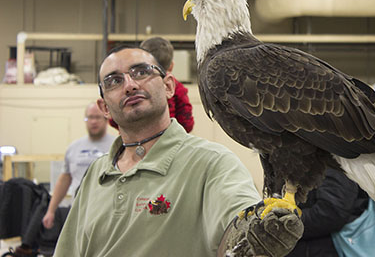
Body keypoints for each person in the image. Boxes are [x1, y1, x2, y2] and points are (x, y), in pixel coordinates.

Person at [53, 45, 303, 257]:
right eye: (114, 81)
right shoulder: (96, 174)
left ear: (169, 86)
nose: (129, 85)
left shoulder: (211, 162)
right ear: (104, 107)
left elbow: (237, 227)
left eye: (141, 72)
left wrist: (253, 236)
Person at [42, 102, 115, 230]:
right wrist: (51, 210)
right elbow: (65, 179)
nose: (93, 121)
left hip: (108, 213)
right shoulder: (74, 148)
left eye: (97, 117)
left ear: (106, 118)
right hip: (78, 212)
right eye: (90, 117)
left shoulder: (116, 146)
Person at [287, 168, 369, 257]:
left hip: (337, 246)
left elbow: (331, 213)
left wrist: (286, 222)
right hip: (314, 245)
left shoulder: (332, 162)